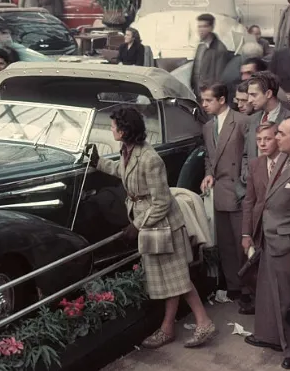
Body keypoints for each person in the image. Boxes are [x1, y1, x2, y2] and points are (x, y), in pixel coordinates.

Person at [92, 106, 216, 348]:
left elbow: (162, 201)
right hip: (154, 225)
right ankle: (169, 328)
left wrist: (136, 226)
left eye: (114, 125)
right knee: (173, 280)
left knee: (178, 279)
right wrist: (99, 163)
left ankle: (203, 323)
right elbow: (123, 171)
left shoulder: (150, 158)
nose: (111, 129)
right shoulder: (129, 151)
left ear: (125, 130)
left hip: (165, 226)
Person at [245, 116, 290, 367]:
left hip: (288, 240)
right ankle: (272, 336)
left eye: (281, 134)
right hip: (271, 235)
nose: (276, 138)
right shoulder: (285, 157)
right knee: (270, 291)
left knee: (288, 297)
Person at [200, 83, 248, 308]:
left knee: (242, 243)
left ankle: (248, 288)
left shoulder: (241, 122)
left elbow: (250, 156)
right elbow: (210, 158)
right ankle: (234, 287)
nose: (204, 104)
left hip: (239, 191)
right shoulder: (207, 127)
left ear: (222, 100)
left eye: (208, 100)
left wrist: (244, 184)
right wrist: (209, 174)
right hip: (219, 190)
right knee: (226, 244)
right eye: (203, 100)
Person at [241, 121, 280, 314]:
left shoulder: (286, 163)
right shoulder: (255, 164)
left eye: (268, 139)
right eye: (259, 140)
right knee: (257, 268)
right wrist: (246, 233)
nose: (262, 144)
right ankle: (261, 307)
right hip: (259, 226)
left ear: (278, 138)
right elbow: (249, 200)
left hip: (279, 228)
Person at [244, 71, 290, 163]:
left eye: (253, 95)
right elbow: (246, 155)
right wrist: (246, 175)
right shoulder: (252, 119)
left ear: (268, 94)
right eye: (249, 95)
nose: (249, 100)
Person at [191, 13, 228, 95]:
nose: (200, 30)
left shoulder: (219, 49)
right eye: (199, 26)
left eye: (204, 26)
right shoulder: (201, 45)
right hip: (198, 92)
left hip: (209, 95)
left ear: (211, 28)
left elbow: (219, 78)